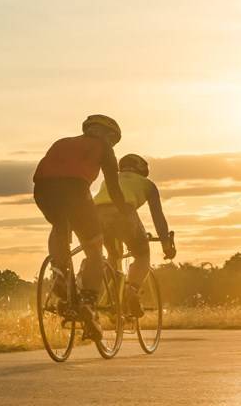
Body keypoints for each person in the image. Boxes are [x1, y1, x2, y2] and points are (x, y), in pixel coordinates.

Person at [32, 114, 131, 341]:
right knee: (94, 249)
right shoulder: (104, 148)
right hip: (76, 190)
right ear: (108, 135)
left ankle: (59, 272)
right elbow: (114, 188)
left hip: (43, 190)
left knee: (59, 225)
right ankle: (88, 301)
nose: (112, 144)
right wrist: (124, 212)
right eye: (113, 140)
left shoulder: (62, 142)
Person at [93, 154, 177, 318]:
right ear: (142, 169)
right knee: (142, 254)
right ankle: (131, 291)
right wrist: (166, 245)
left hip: (97, 214)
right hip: (124, 212)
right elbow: (158, 216)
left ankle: (106, 301)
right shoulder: (148, 184)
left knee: (113, 256)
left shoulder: (109, 179)